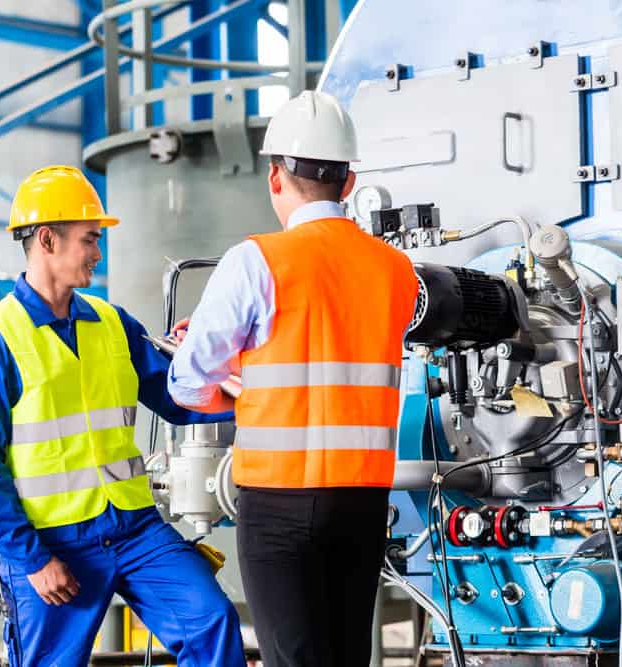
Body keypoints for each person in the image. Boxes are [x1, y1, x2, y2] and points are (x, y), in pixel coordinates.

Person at [0, 165, 246, 667]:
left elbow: (181, 401)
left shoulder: (112, 322)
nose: (98, 252)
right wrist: (33, 559)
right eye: (90, 239)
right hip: (54, 545)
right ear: (47, 240)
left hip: (135, 530)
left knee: (211, 620)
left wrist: (224, 359)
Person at [167, 92, 418, 666]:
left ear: (275, 176)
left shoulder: (254, 260)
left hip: (278, 502)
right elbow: (334, 358)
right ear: (348, 183)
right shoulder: (396, 271)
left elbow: (186, 385)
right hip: (361, 501)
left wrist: (227, 366)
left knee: (293, 658)